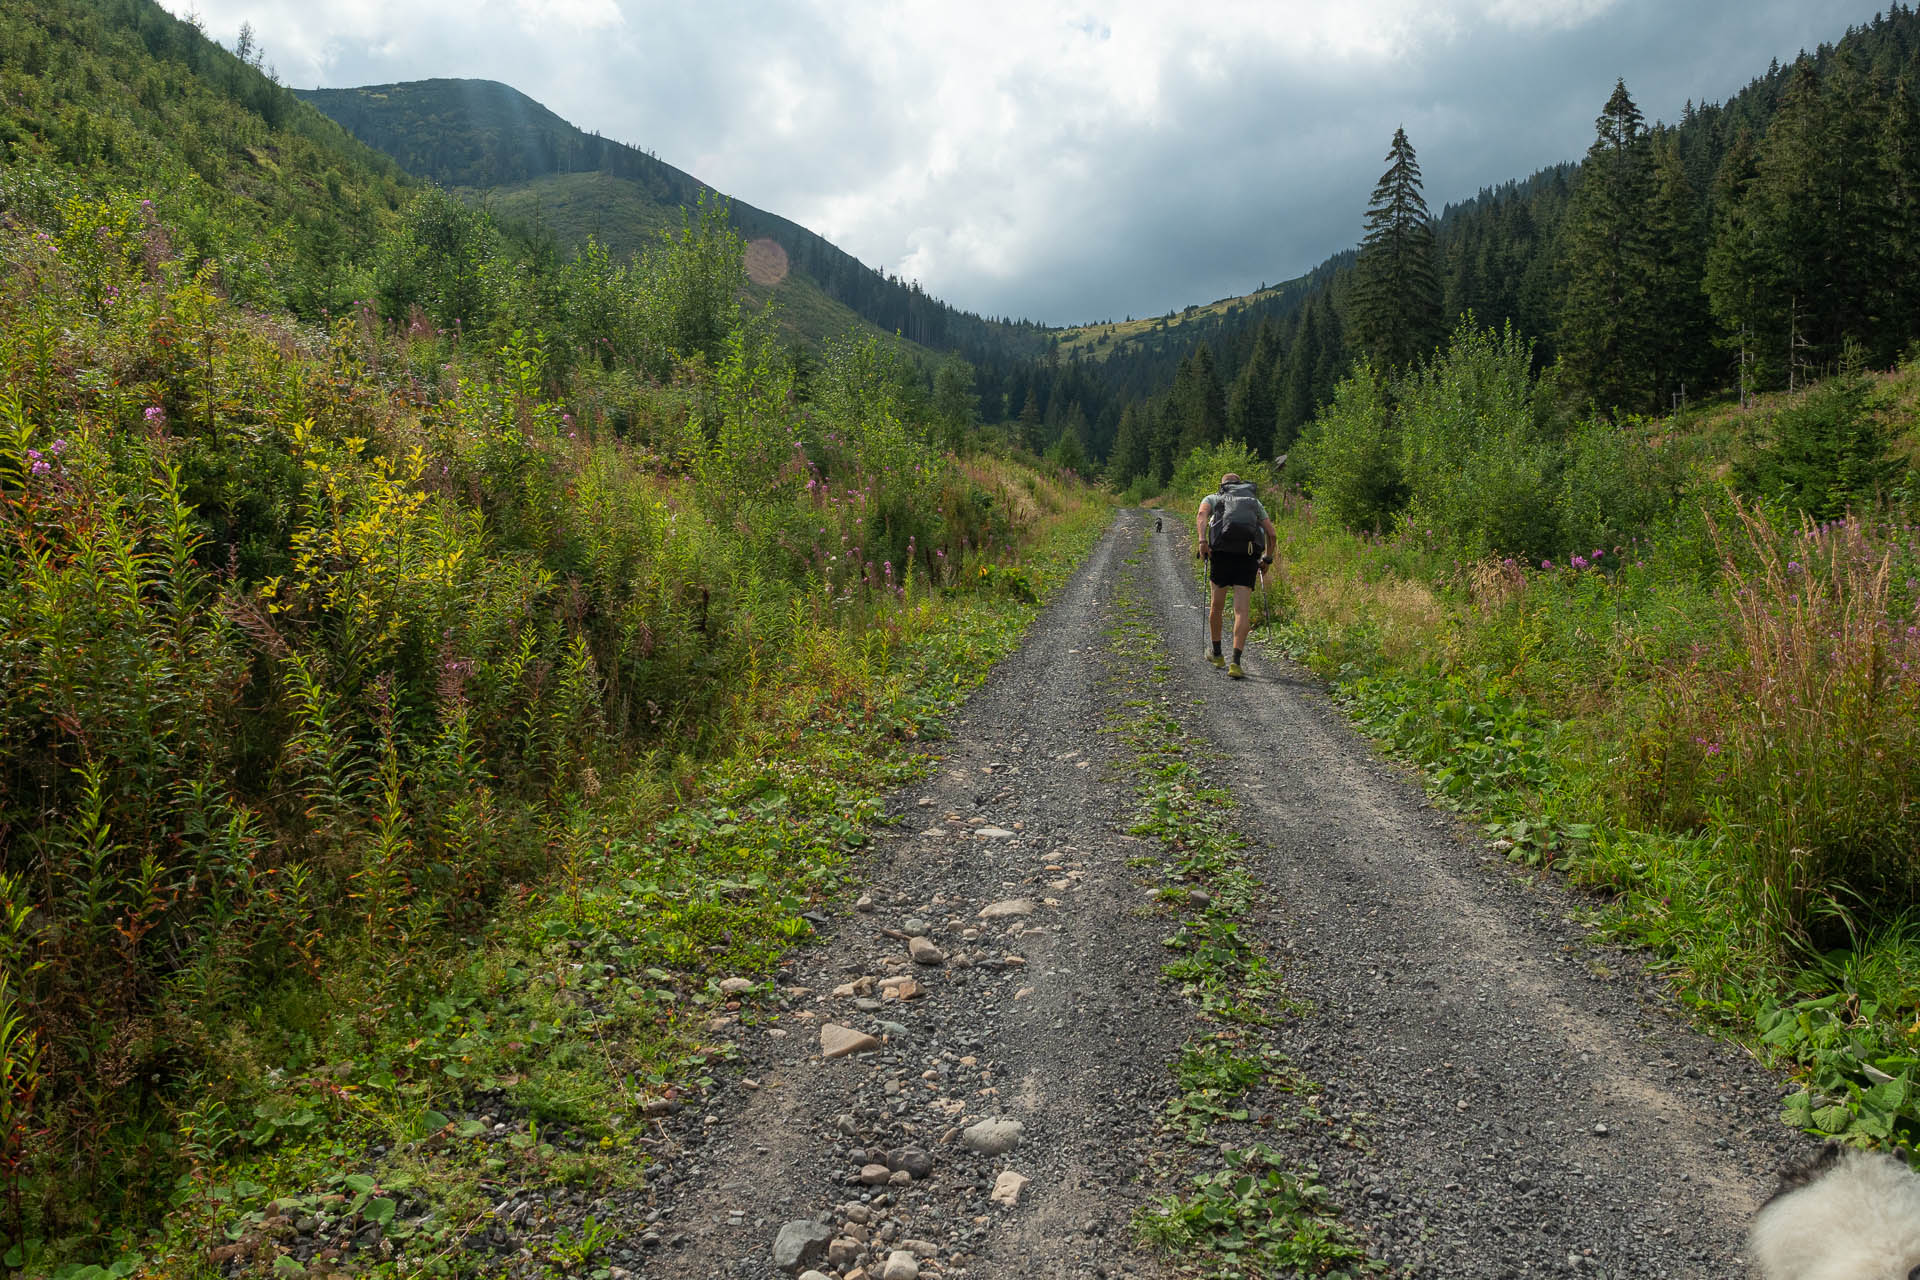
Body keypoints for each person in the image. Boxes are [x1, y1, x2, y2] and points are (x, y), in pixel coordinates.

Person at [1195, 472, 1277, 679]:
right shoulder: (1253, 502)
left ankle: (1217, 654)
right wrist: (1267, 558)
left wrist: (1202, 542)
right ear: (1240, 486)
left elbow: (1201, 515)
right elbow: (1272, 533)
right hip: (1247, 558)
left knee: (1217, 607)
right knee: (1241, 611)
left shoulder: (1213, 498)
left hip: (1221, 557)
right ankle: (1236, 663)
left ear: (1222, 486)